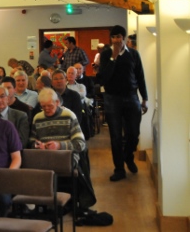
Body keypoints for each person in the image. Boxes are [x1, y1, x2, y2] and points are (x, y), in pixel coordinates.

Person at [98, 25, 148, 182]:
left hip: (132, 97)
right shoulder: (106, 55)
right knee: (116, 136)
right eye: (114, 37)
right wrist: (113, 57)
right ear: (111, 39)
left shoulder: (133, 54)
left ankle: (128, 156)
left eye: (119, 36)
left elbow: (140, 76)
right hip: (112, 99)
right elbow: (103, 78)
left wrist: (144, 98)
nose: (117, 39)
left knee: (133, 133)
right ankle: (119, 169)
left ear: (125, 38)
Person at [30, 88, 86, 162]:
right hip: (43, 155)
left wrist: (59, 145)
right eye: (43, 106)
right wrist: (37, 145)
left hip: (66, 156)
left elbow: (80, 144)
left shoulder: (69, 115)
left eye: (50, 106)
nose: (46, 109)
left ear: (57, 102)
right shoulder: (37, 118)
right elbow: (32, 141)